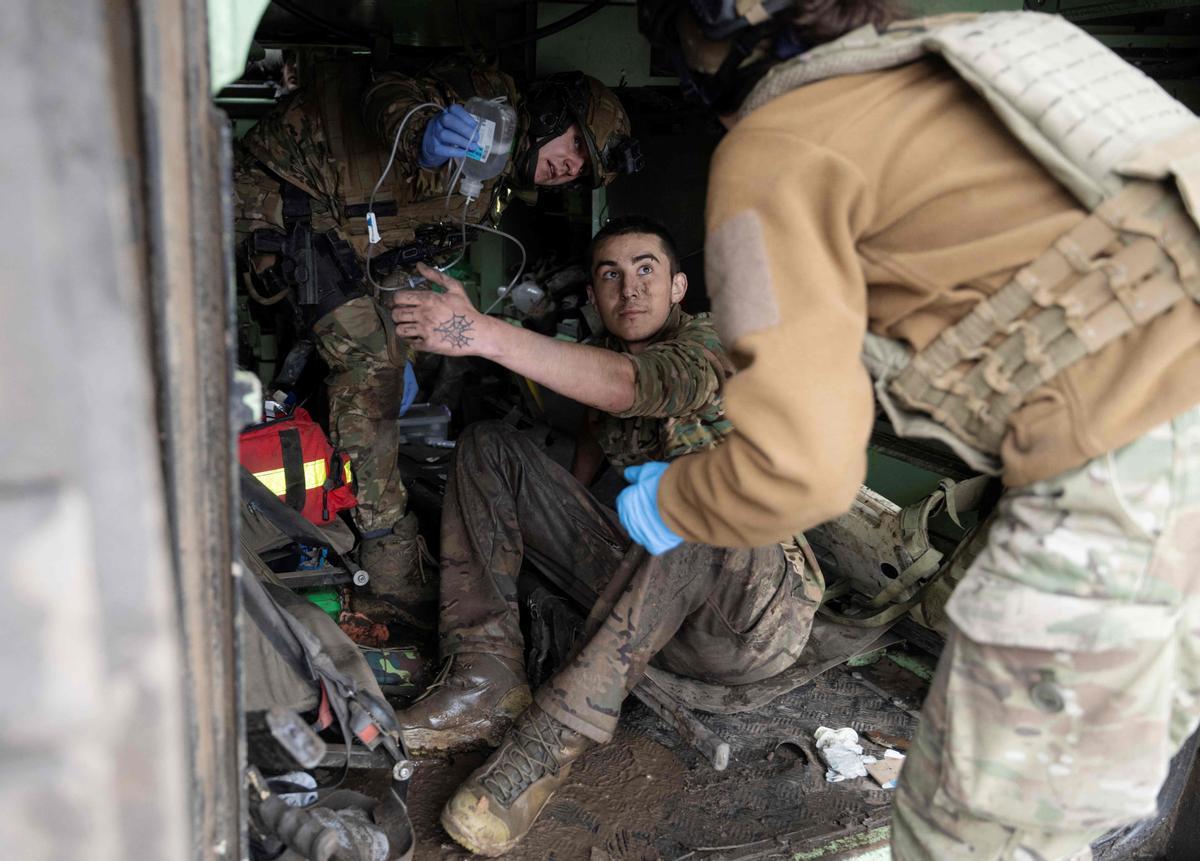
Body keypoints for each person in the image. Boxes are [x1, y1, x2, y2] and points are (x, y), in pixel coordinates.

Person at [632, 2, 1200, 859]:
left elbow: (802, 470)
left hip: (1133, 461)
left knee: (964, 834)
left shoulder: (776, 141)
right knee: (1081, 802)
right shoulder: (1010, 42)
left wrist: (674, 500)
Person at [389, 216, 823, 855]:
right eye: (611, 275)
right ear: (593, 296)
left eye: (647, 269)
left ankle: (548, 741)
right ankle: (485, 677)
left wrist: (481, 332)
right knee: (489, 446)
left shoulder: (710, 344)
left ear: (678, 287)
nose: (631, 289)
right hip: (655, 602)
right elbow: (601, 427)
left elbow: (633, 389)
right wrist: (548, 522)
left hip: (749, 619)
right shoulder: (608, 365)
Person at [233, 57, 640, 620]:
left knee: (400, 354)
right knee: (370, 367)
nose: (569, 169)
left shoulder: (492, 186)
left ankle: (333, 485)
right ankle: (387, 554)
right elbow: (391, 91)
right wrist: (423, 131)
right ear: (550, 115)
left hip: (345, 237)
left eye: (581, 172)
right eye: (573, 148)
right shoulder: (489, 99)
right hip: (286, 195)